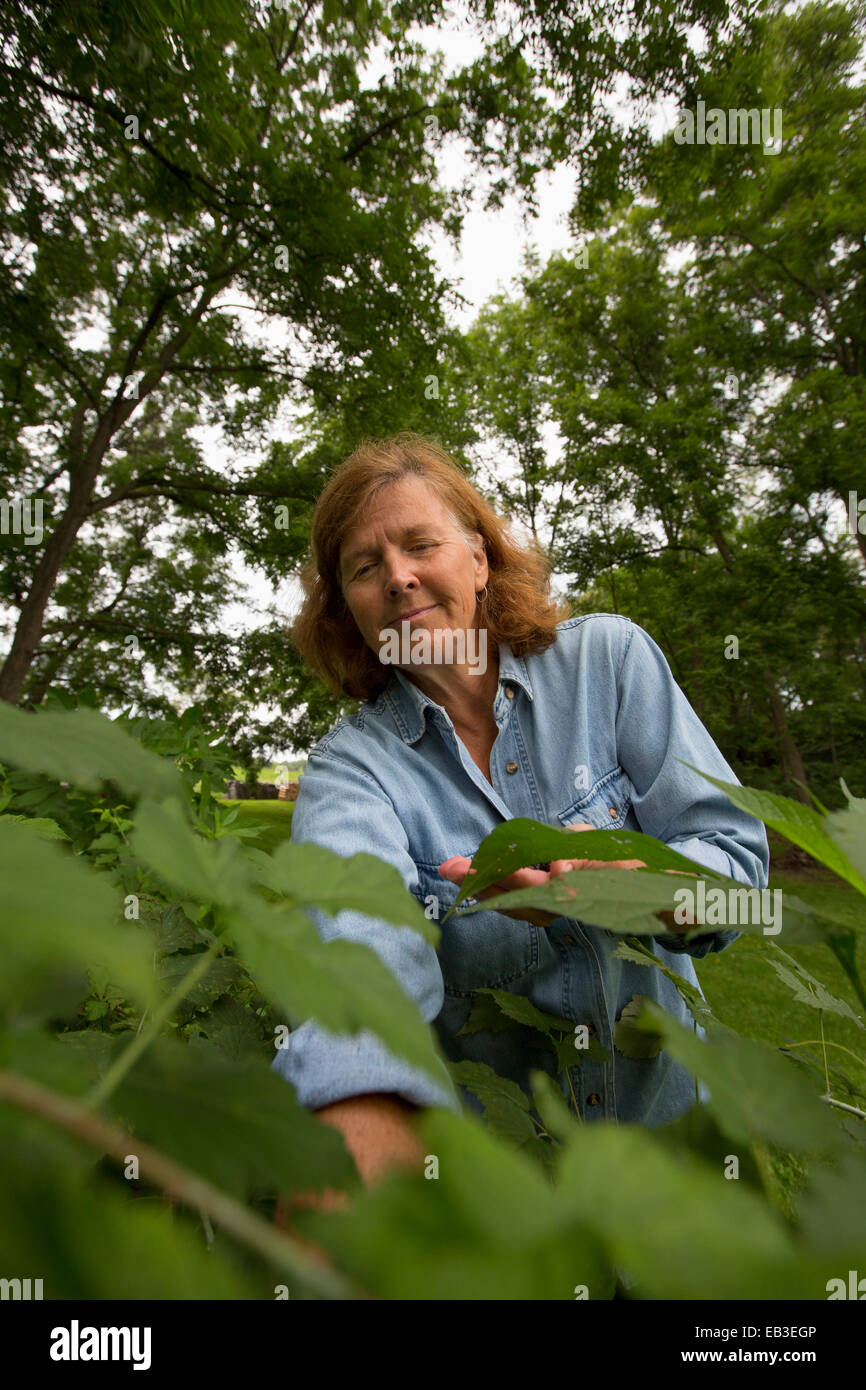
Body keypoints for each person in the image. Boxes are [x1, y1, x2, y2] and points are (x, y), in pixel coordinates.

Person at [270, 431, 769, 1204]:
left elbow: (739, 875)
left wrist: (643, 886)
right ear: (349, 611)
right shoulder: (349, 771)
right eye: (364, 569)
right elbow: (361, 969)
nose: (399, 578)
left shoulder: (611, 663)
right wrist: (354, 1159)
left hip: (683, 1177)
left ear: (479, 560)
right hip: (513, 1209)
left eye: (419, 544)